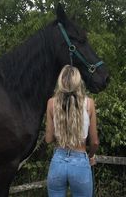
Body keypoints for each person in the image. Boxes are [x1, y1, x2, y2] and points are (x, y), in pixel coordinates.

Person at [46, 65, 99, 197]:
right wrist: (91, 156)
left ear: (61, 82)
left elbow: (48, 139)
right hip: (80, 162)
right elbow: (95, 142)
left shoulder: (52, 103)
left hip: (58, 160)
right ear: (78, 82)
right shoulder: (89, 104)